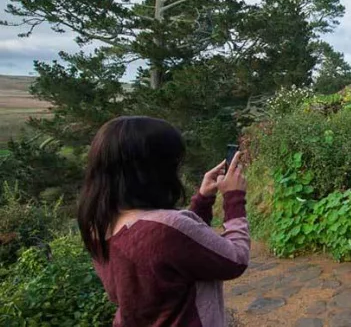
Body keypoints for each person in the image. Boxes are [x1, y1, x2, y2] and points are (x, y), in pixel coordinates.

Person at [76, 116, 250, 327]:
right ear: (155, 168)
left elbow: (179, 251)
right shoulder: (165, 229)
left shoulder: (98, 224)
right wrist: (234, 198)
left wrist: (203, 200)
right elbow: (236, 259)